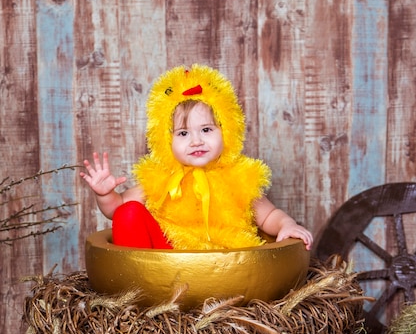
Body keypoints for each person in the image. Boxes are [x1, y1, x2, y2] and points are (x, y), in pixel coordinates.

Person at [81, 64, 313, 251]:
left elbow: (269, 215)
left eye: (206, 130)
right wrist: (105, 194)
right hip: (169, 262)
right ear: (165, 140)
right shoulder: (162, 177)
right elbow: (118, 209)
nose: (196, 141)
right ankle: (145, 288)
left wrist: (287, 224)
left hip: (225, 263)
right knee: (128, 212)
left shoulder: (239, 176)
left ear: (227, 131)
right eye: (183, 133)